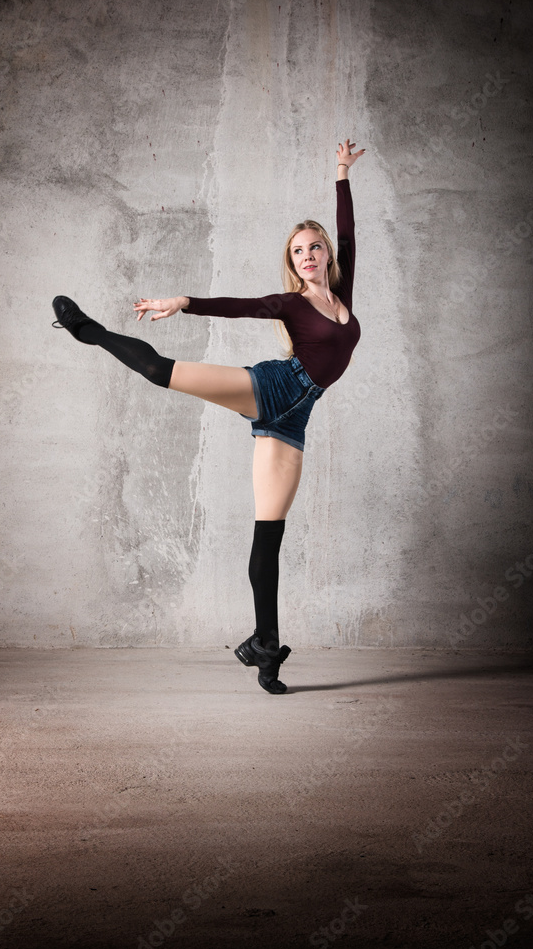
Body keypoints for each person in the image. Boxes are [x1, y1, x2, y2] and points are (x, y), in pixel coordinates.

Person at [52, 138, 365, 694]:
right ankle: (88, 331)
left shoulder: (342, 292)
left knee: (269, 535)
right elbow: (240, 306)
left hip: (296, 418)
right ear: (292, 263)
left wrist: (341, 173)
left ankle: (265, 649)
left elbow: (348, 232)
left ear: (327, 256)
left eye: (315, 248)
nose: (310, 255)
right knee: (161, 372)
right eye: (299, 251)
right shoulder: (292, 303)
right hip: (274, 386)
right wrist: (183, 302)